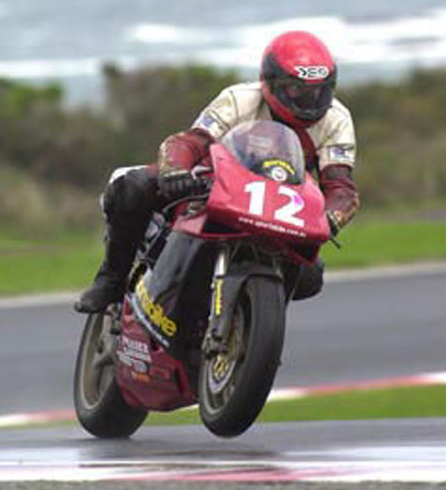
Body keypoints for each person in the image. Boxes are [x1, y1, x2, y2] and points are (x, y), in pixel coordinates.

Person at [75, 30, 360, 313]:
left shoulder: (336, 118)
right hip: (216, 187)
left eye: (318, 90)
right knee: (133, 186)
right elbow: (190, 142)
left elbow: (340, 186)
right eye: (298, 89)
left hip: (280, 206)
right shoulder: (239, 99)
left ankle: (250, 328)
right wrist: (175, 170)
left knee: (311, 277)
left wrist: (328, 220)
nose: (309, 99)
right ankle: (111, 281)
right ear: (270, 82)